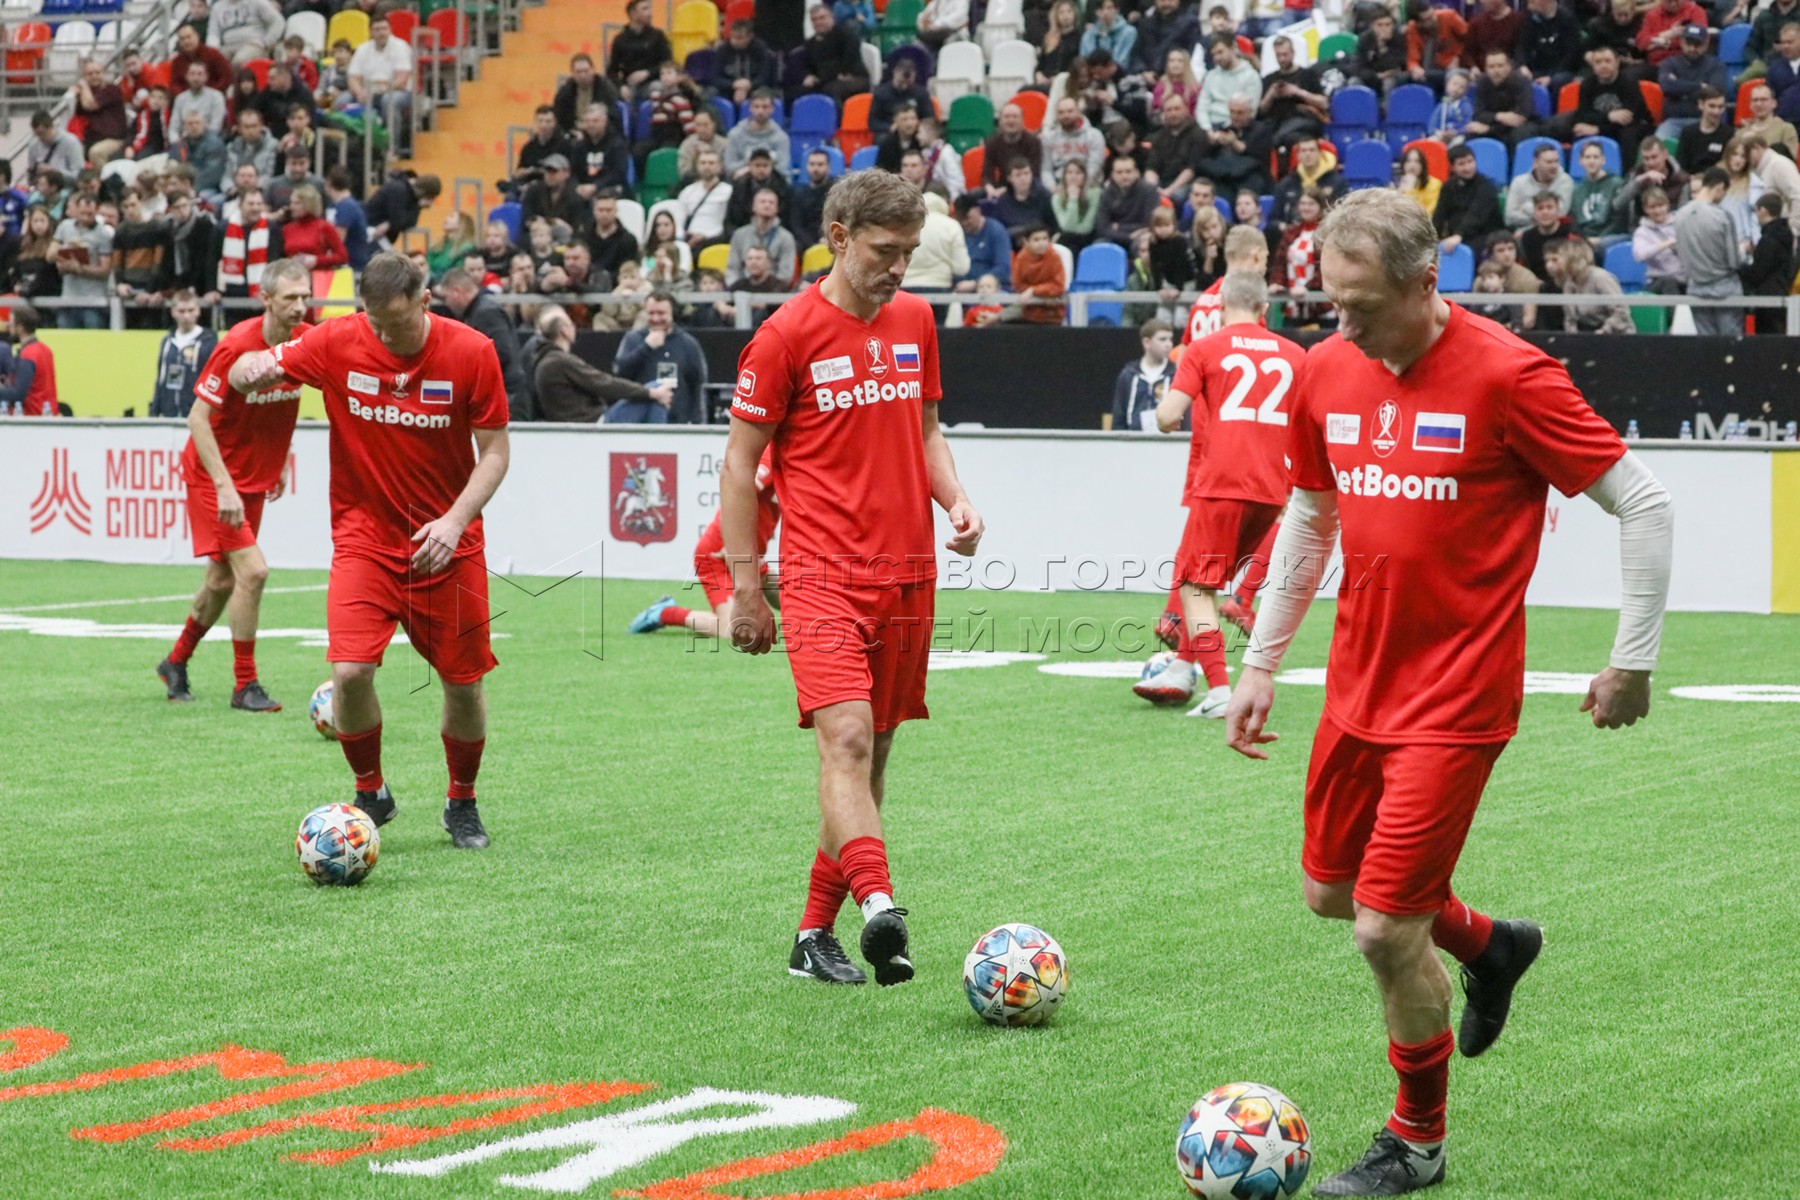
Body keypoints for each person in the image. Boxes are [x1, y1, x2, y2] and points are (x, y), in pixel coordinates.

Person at [1224, 186, 1671, 1199]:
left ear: (1428, 282)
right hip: (1358, 685)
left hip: (1458, 699)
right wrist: (1262, 661)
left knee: (1385, 930)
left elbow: (1645, 502)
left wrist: (1633, 660)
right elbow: (1311, 515)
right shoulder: (1326, 370)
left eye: (1363, 306)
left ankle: (1415, 1143)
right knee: (1331, 895)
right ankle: (1491, 945)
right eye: (1331, 304)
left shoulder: (1512, 375)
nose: (1342, 326)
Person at [721, 168, 984, 988]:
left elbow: (927, 429)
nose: (900, 268)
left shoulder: (915, 320)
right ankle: (880, 906)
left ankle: (812, 934)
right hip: (821, 575)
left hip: (909, 573)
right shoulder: (785, 337)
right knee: (847, 740)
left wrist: (956, 498)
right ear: (838, 238)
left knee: (874, 756)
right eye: (884, 251)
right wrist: (745, 588)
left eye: (909, 251)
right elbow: (738, 465)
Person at [229, 252, 511, 850]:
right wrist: (248, 368)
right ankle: (371, 792)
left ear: (426, 301)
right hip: (365, 541)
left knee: (462, 684)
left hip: (449, 547)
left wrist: (454, 521)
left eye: (397, 323)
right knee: (350, 672)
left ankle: (462, 802)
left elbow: (495, 453)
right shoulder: (337, 341)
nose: (384, 336)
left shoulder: (472, 352)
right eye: (375, 323)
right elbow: (251, 368)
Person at [1138, 272, 1302, 718]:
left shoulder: (1204, 349)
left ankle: (1218, 691)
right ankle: (1182, 667)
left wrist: (1168, 410)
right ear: (1265, 309)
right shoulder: (1296, 355)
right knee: (1209, 586)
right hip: (1272, 491)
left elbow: (1168, 417)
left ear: (1222, 306)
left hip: (1222, 483)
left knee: (1193, 587)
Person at [157, 260, 311, 710]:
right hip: (213, 476)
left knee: (222, 578)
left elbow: (281, 406)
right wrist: (224, 487)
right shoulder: (236, 346)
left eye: (305, 296)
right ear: (266, 299)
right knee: (253, 572)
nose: (300, 306)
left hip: (254, 477)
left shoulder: (304, 341)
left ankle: (175, 661)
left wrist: (281, 459)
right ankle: (245, 684)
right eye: (290, 298)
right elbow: (197, 419)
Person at [631, 450, 780, 638]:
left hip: (748, 557)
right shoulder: (770, 457)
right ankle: (664, 613)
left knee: (796, 600)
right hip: (717, 555)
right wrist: (732, 547)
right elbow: (735, 498)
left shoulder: (792, 462)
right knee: (734, 629)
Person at [436, 267, 528, 419]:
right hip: (503, 395)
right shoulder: (479, 312)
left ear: (456, 291)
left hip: (507, 398)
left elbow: (502, 353)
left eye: (446, 297)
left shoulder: (485, 313)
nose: (447, 303)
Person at [612, 290, 708, 423]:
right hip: (639, 421)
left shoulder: (688, 343)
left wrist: (698, 422)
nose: (656, 318)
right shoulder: (633, 339)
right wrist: (646, 347)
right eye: (651, 313)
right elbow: (619, 374)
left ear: (672, 314)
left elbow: (698, 385)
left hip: (677, 423)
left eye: (661, 313)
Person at [1556, 45, 1653, 165]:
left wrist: (1598, 129)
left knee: (1627, 134)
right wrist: (1608, 117)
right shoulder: (1587, 84)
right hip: (1605, 124)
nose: (1603, 66)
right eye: (1598, 62)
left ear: (1617, 63)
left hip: (1636, 125)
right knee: (1579, 130)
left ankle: (1628, 173)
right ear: (1593, 66)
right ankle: (1578, 171)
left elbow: (1628, 119)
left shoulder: (1629, 82)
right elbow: (1583, 114)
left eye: (1608, 61)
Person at [347, 16, 415, 155]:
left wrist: (381, 89)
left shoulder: (400, 46)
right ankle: (350, 150)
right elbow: (353, 77)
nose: (381, 33)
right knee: (343, 100)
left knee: (388, 101)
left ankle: (391, 149)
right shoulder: (362, 49)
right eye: (376, 29)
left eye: (384, 29)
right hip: (367, 90)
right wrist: (359, 92)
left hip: (398, 91)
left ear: (390, 29)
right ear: (370, 32)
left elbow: (402, 80)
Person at [51, 193, 115, 329]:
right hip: (68, 299)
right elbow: (49, 254)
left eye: (89, 214)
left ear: (97, 211)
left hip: (94, 302)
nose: (85, 217)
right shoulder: (65, 227)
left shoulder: (103, 234)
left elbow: (105, 269)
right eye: (82, 213)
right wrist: (66, 250)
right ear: (76, 210)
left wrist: (80, 269)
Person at [150, 290, 219, 417]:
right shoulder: (167, 341)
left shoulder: (209, 341)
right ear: (173, 312)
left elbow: (214, 379)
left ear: (198, 311)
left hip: (198, 414)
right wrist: (154, 411)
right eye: (181, 311)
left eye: (191, 310)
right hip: (169, 413)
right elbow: (161, 378)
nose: (186, 316)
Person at [1544, 236, 1634, 332]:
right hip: (1584, 337)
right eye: (1547, 261)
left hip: (1615, 336)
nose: (1549, 266)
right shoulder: (1568, 284)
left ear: (1573, 259)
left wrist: (1604, 330)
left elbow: (1621, 312)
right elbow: (1570, 319)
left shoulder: (1600, 278)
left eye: (1555, 260)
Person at [1659, 26, 1730, 140]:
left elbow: (1715, 92)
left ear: (1706, 44)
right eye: (1689, 43)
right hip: (1675, 121)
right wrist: (1700, 86)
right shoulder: (1669, 63)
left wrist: (1680, 88)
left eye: (1697, 44)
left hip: (1706, 119)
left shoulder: (1716, 65)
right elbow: (1667, 87)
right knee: (1659, 142)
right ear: (1682, 42)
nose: (1692, 48)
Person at [1262, 35, 1329, 148]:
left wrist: (1298, 92)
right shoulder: (1269, 79)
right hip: (1276, 122)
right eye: (1278, 55)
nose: (1282, 59)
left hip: (1304, 120)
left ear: (1293, 53)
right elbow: (1261, 111)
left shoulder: (1308, 75)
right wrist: (1271, 95)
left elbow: (1324, 103)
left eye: (1285, 54)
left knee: (1287, 137)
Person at [1742, 191, 1796, 332]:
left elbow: (1758, 273)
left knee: (1767, 337)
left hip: (1767, 298)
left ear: (1763, 210)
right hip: (1782, 290)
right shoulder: (1785, 234)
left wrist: (1740, 268)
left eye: (1757, 211)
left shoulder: (1768, 239)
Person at [1111, 317, 1176, 432]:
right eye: (1162, 339)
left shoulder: (1175, 374)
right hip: (1133, 438)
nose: (1169, 344)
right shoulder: (1129, 374)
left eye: (1170, 339)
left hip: (1168, 438)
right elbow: (1119, 414)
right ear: (1147, 343)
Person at [1463, 50, 1538, 149]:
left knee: (1520, 133)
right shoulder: (1482, 82)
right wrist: (1499, 116)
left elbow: (1521, 116)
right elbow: (1478, 114)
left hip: (1517, 127)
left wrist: (1490, 129)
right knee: (1471, 133)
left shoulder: (1522, 82)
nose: (1496, 70)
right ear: (1486, 69)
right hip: (1493, 124)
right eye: (1491, 67)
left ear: (1509, 67)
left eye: (1500, 66)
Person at [798, 4, 869, 106]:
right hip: (824, 79)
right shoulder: (810, 44)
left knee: (831, 90)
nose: (818, 22)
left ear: (832, 17)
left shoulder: (846, 35)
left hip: (853, 76)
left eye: (822, 18)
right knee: (798, 90)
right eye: (814, 19)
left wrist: (840, 73)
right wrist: (808, 75)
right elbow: (806, 64)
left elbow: (849, 59)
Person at [728, 187, 799, 283]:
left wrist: (772, 288)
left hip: (774, 289)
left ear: (777, 209)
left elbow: (786, 272)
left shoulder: (786, 238)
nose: (767, 205)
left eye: (771, 202)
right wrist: (737, 287)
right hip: (743, 288)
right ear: (753, 207)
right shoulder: (739, 235)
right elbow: (733, 268)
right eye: (762, 202)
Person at [1146, 93, 1208, 201]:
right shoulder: (1158, 137)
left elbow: (1191, 169)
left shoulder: (1199, 134)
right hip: (1162, 181)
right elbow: (1151, 168)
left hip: (1185, 183)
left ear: (1186, 110)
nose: (1173, 113)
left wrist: (1169, 191)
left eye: (1177, 109)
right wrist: (1153, 189)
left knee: (1178, 196)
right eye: (1169, 110)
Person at [1272, 136, 1342, 228]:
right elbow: (1274, 219)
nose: (1308, 154)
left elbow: (1342, 214)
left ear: (1320, 154)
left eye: (1312, 150)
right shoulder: (1286, 183)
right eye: (1303, 151)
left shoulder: (1337, 182)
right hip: (1293, 232)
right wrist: (1284, 227)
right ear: (1298, 155)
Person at [607, 0, 672, 99]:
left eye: (650, 8)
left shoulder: (657, 35)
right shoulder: (620, 40)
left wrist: (647, 73)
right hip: (630, 86)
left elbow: (668, 62)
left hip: (652, 83)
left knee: (657, 88)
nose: (650, 13)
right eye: (645, 9)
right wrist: (621, 86)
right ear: (633, 14)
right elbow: (612, 71)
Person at [70, 58, 130, 166]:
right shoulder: (85, 93)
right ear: (84, 76)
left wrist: (83, 86)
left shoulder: (111, 89)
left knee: (96, 152)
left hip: (114, 140)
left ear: (104, 74)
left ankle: (106, 177)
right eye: (90, 74)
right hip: (91, 139)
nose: (94, 76)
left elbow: (90, 105)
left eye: (97, 72)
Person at [1516, 0, 1584, 92]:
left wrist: (1550, 78)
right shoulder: (1531, 20)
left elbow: (1571, 54)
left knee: (1558, 80)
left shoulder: (1567, 20)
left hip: (1562, 70)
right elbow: (1522, 46)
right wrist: (1522, 65)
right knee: (1518, 77)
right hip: (1538, 68)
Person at [1570, 140, 1628, 248]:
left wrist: (1600, 239)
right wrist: (1584, 239)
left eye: (1596, 157)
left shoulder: (1616, 183)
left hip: (1609, 237)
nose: (1591, 161)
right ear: (1581, 161)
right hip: (1585, 238)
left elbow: (1619, 220)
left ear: (1603, 160)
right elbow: (1574, 219)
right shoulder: (1578, 189)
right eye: (1587, 157)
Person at [1198, 35, 1262, 130]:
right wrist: (1207, 129)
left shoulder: (1251, 76)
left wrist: (1225, 129)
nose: (1217, 58)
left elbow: (1251, 111)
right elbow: (1202, 107)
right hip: (1209, 127)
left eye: (1220, 52)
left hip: (1236, 127)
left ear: (1232, 48)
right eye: (1214, 54)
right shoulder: (1210, 76)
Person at [569, 103, 630, 200]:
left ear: (605, 122)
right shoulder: (578, 146)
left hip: (610, 189)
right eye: (587, 121)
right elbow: (573, 172)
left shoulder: (617, 144)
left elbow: (618, 173)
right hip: (583, 190)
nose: (591, 125)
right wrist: (577, 186)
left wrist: (596, 186)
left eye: (595, 121)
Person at [1097, 153, 1160, 247]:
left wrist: (1119, 227)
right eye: (1119, 172)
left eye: (1128, 171)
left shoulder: (1149, 191)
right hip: (1115, 237)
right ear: (1112, 175)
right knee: (1100, 245)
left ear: (1137, 173)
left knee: (1143, 243)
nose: (1124, 176)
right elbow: (1102, 228)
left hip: (1139, 238)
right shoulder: (1105, 193)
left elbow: (1149, 223)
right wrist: (1128, 237)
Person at [726, 90, 791, 180]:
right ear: (750, 108)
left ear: (772, 109)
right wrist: (755, 165)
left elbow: (782, 169)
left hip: (772, 183)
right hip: (742, 182)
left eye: (765, 107)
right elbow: (729, 167)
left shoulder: (781, 137)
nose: (760, 111)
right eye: (756, 107)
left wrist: (752, 167)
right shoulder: (735, 134)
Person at [1506, 143, 1573, 230]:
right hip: (1524, 233)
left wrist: (1526, 207)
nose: (1554, 166)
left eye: (1556, 161)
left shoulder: (1565, 181)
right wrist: (1543, 219)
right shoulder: (1519, 182)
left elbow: (1561, 214)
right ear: (1536, 162)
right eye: (1549, 162)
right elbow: (1509, 218)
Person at [980, 103, 1044, 194]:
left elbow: (1035, 174)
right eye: (1007, 117)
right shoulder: (992, 142)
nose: (1011, 121)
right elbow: (987, 173)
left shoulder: (1033, 142)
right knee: (969, 197)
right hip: (1002, 186)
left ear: (1022, 120)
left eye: (1015, 117)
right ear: (1000, 121)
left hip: (1027, 187)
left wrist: (1008, 192)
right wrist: (990, 188)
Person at [713, 19, 780, 105]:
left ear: (750, 36)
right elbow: (715, 77)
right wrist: (734, 85)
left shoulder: (760, 48)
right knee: (711, 93)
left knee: (766, 94)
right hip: (728, 88)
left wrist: (749, 86)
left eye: (739, 38)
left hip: (756, 87)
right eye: (732, 37)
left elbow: (765, 76)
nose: (734, 41)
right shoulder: (722, 49)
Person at [1632, 185, 1685, 293]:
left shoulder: (1681, 222)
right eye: (1652, 207)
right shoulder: (1642, 232)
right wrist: (1666, 243)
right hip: (1659, 280)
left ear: (1667, 205)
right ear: (1645, 209)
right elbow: (1639, 255)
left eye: (1661, 206)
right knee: (1668, 283)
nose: (1657, 211)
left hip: (1685, 278)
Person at [364, 170, 441, 245]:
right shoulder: (399, 190)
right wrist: (418, 207)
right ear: (423, 192)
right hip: (369, 231)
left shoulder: (406, 191)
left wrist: (389, 224)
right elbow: (399, 223)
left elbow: (410, 223)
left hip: (376, 233)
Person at [678, 149, 733, 250]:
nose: (707, 167)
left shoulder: (729, 191)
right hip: (690, 240)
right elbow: (679, 220)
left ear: (720, 167)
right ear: (697, 166)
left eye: (711, 163)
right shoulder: (687, 192)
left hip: (716, 240)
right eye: (703, 163)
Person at [954, 192, 1012, 289]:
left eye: (967, 218)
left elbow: (1003, 268)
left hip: (991, 289)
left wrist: (976, 283)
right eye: (961, 219)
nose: (964, 223)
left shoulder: (996, 231)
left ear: (978, 211)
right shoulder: (957, 232)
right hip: (960, 289)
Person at [1405, 5, 1467, 94]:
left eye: (1432, 14)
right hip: (1429, 69)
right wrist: (1415, 68)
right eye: (1428, 19)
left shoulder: (1449, 16)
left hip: (1453, 67)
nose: (1434, 19)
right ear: (1418, 23)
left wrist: (1458, 56)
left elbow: (1470, 39)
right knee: (1416, 78)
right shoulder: (1412, 29)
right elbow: (1412, 56)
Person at [992, 158, 1058, 242]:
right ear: (1009, 178)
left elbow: (1053, 226)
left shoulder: (1044, 196)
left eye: (1026, 173)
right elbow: (998, 231)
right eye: (1018, 175)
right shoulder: (1003, 201)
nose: (1023, 178)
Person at [553, 53, 619, 134]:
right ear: (572, 73)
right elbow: (559, 119)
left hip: (600, 133)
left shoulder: (606, 89)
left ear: (593, 70)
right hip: (573, 133)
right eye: (578, 72)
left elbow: (613, 118)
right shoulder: (565, 92)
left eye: (586, 71)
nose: (583, 75)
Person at [1747, 134, 1800, 233]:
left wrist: (1792, 230)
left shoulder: (1779, 165)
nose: (1744, 158)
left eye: (1746, 153)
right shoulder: (1754, 170)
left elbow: (1798, 196)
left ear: (1756, 148)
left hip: (1781, 234)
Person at [1676, 86, 1734, 176]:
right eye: (1712, 106)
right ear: (1701, 105)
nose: (1716, 111)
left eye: (1720, 107)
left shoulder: (1729, 133)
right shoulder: (1688, 132)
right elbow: (1682, 166)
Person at [206, 0, 282, 66]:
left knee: (239, 61)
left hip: (253, 44)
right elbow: (213, 33)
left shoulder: (257, 2)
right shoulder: (217, 7)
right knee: (214, 62)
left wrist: (265, 41)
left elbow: (278, 22)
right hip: (228, 45)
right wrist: (213, 51)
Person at [324, 166, 371, 270]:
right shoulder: (334, 205)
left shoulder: (348, 206)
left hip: (352, 265)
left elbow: (338, 239)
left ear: (328, 183)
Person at [1638, 0, 1710, 68]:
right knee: (1633, 73)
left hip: (1686, 64)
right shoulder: (1652, 14)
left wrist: (1667, 43)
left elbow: (1700, 41)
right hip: (1656, 65)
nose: (1673, 4)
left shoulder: (1695, 12)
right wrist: (1669, 34)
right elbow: (1641, 43)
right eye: (1669, 1)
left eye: (1677, 1)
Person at [869, 58, 931, 135]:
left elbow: (929, 118)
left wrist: (918, 127)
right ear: (895, 72)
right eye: (902, 81)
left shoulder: (921, 93)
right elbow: (873, 122)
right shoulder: (881, 93)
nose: (905, 85)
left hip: (915, 131)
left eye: (908, 82)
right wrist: (889, 127)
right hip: (890, 131)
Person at [1738, 82, 1799, 157]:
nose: (1759, 104)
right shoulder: (1740, 133)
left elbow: (1790, 158)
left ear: (1774, 103)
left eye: (1764, 99)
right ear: (1750, 105)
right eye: (1755, 100)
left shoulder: (1786, 129)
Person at [1355, 10, 1408, 95]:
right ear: (1372, 26)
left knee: (1389, 83)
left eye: (1388, 24)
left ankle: (1386, 104)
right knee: (1354, 82)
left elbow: (1396, 64)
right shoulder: (1365, 39)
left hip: (1394, 77)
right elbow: (1359, 67)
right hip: (1372, 76)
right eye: (1379, 25)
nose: (1384, 28)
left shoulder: (1399, 38)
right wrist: (1378, 76)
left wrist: (1383, 46)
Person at [790, 150, 835, 247]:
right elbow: (796, 225)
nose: (815, 168)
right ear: (806, 166)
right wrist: (813, 244)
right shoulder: (798, 194)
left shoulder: (836, 191)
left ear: (828, 167)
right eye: (812, 164)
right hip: (807, 244)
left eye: (820, 164)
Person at [26, 111, 83, 180]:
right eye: (37, 135)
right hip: (42, 184)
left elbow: (79, 175)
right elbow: (31, 176)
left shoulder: (71, 142)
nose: (41, 138)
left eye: (42, 133)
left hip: (65, 184)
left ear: (51, 127)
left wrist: (54, 172)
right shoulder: (34, 144)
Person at [1428, 69, 1474, 143]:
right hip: (1441, 135)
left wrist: (1457, 132)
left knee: (1459, 141)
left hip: (1457, 135)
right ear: (1447, 84)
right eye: (1454, 84)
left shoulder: (1466, 106)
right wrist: (1437, 132)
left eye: (1461, 87)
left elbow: (1467, 124)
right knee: (1431, 140)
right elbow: (1433, 122)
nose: (1457, 88)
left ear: (1465, 91)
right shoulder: (1442, 105)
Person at [1397, 146, 1440, 216]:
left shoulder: (1434, 184)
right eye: (1408, 161)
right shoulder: (1397, 185)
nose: (1412, 165)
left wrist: (1409, 191)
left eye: (1417, 162)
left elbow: (1427, 214)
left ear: (1423, 165)